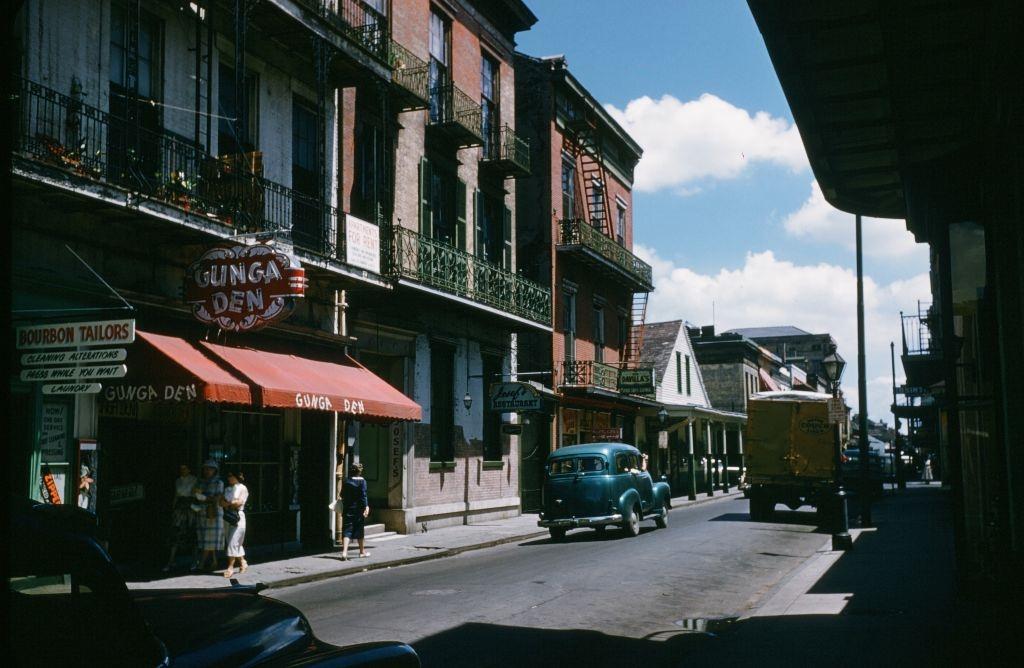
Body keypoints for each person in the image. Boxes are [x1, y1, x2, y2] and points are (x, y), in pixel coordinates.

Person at [163, 464, 198, 572]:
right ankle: (171, 561)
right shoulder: (178, 480)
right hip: (180, 506)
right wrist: (174, 508)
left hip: (190, 506)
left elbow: (195, 494)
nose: (183, 470)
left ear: (189, 469)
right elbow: (176, 495)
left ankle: (194, 560)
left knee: (191, 532)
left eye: (185, 468)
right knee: (176, 533)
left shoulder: (194, 479)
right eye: (181, 468)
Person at [193, 460, 224, 572]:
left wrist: (205, 498)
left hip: (213, 513)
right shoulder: (200, 482)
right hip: (201, 512)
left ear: (215, 470)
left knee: (209, 538)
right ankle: (214, 561)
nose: (207, 471)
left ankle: (201, 563)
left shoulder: (218, 482)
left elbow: (218, 497)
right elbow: (195, 494)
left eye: (210, 469)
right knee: (204, 537)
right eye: (205, 469)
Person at [221, 471, 249, 578]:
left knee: (233, 541)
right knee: (231, 540)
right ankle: (243, 562)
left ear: (236, 477)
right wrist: (231, 502)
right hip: (228, 516)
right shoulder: (227, 489)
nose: (229, 478)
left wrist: (228, 503)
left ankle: (230, 567)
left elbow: (239, 503)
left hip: (238, 517)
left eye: (231, 476)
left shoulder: (242, 488)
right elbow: (220, 503)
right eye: (228, 476)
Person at [339, 462, 369, 560]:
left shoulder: (346, 481)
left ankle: (344, 552)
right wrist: (366, 507)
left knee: (347, 530)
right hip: (359, 509)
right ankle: (361, 551)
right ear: (359, 471)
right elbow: (363, 496)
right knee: (359, 529)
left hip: (348, 508)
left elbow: (342, 495)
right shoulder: (362, 482)